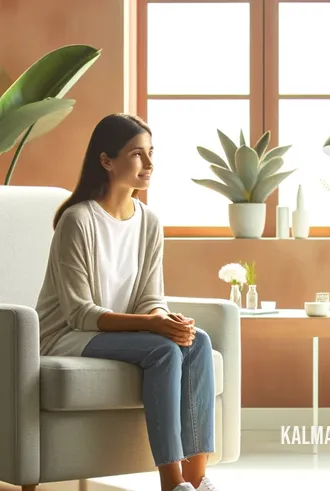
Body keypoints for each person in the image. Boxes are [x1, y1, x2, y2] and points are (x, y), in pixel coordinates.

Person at [35, 114, 219, 491]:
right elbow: (79, 313)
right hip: (66, 335)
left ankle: (197, 479)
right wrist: (153, 326)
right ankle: (171, 482)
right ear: (107, 160)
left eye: (151, 153)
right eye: (138, 154)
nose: (149, 165)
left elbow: (151, 297)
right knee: (164, 351)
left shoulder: (150, 222)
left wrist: (165, 318)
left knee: (196, 341)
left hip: (115, 332)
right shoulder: (78, 220)